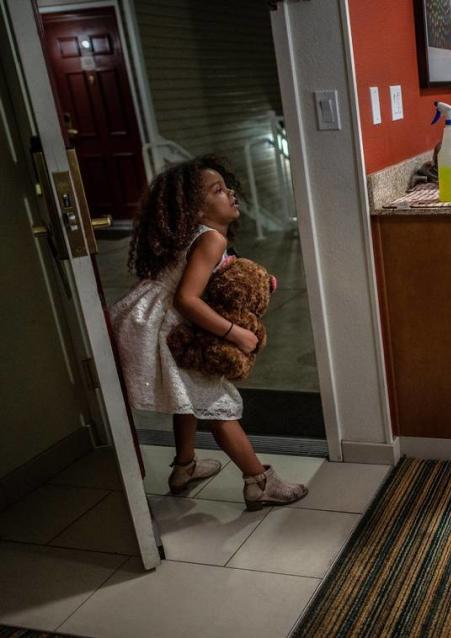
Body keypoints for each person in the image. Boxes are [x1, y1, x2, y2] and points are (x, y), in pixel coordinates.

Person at [111, 156, 307, 511]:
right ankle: (258, 482)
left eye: (226, 186)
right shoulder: (211, 239)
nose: (230, 193)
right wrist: (236, 333)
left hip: (150, 320)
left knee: (189, 396)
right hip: (167, 331)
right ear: (197, 210)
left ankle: (184, 467)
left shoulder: (199, 235)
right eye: (217, 190)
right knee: (219, 404)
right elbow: (187, 299)